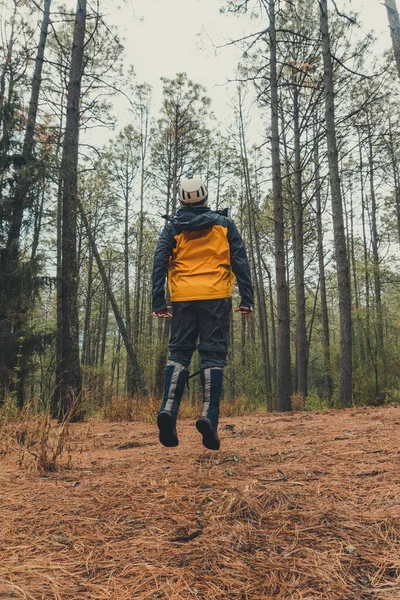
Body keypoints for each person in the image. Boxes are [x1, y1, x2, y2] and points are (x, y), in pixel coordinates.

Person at [151, 175, 254, 451]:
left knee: (180, 353)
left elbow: (160, 262)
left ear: (181, 200)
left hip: (183, 299)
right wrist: (247, 297)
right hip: (216, 298)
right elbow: (240, 260)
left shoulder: (173, 228)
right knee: (213, 355)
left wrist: (158, 301)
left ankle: (168, 410)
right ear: (205, 196)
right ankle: (209, 417)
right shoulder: (224, 225)